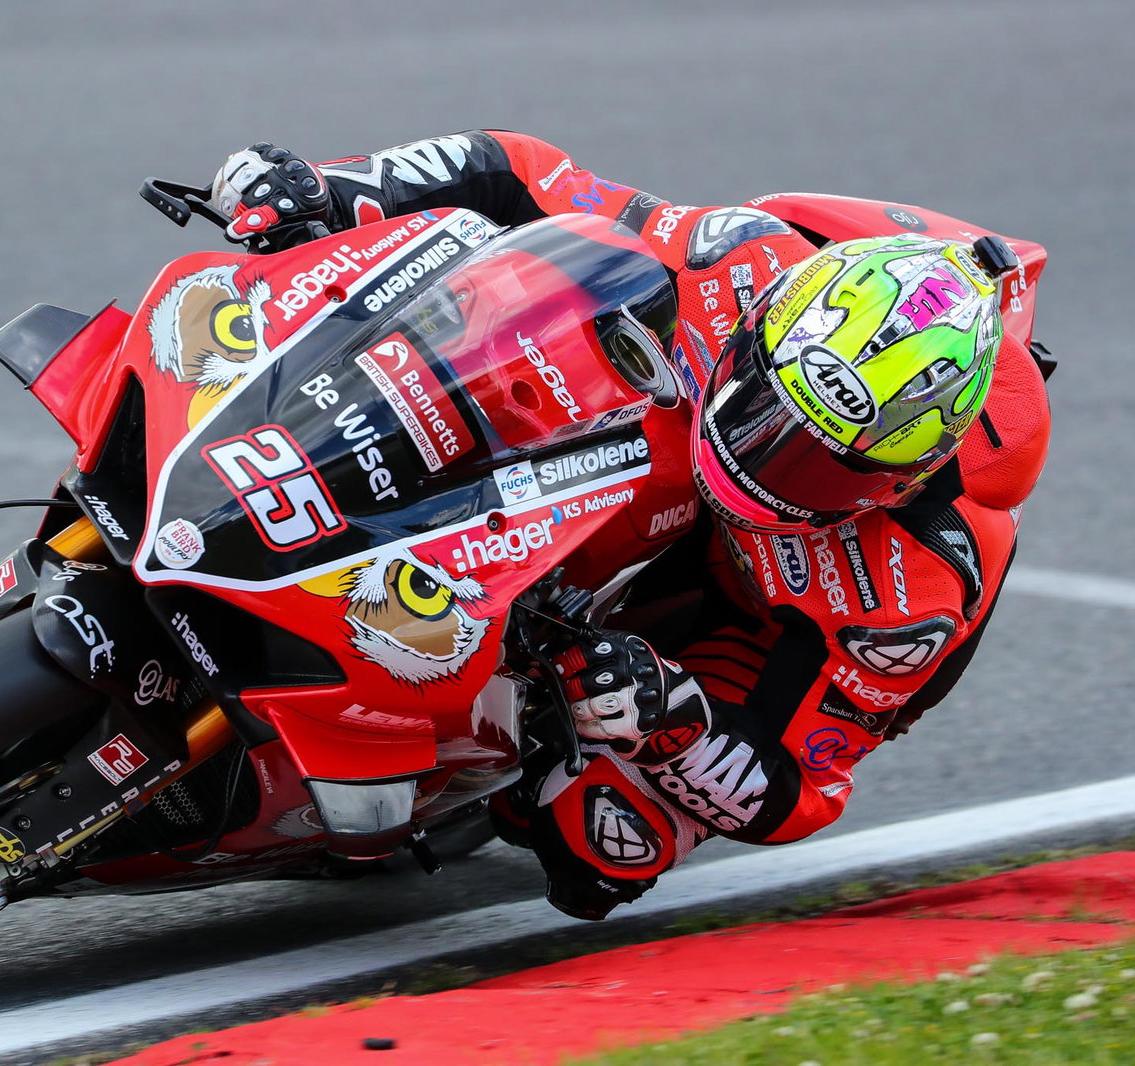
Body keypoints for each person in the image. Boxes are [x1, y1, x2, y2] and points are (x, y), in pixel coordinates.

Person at [207, 133, 1052, 919]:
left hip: (750, 613)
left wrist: (675, 721)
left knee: (599, 845)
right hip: (668, 419)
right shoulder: (735, 259)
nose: (759, 457)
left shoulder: (918, 589)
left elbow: (800, 786)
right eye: (762, 406)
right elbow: (523, 174)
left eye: (813, 461)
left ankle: (486, 734)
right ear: (764, 325)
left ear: (894, 482)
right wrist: (339, 188)